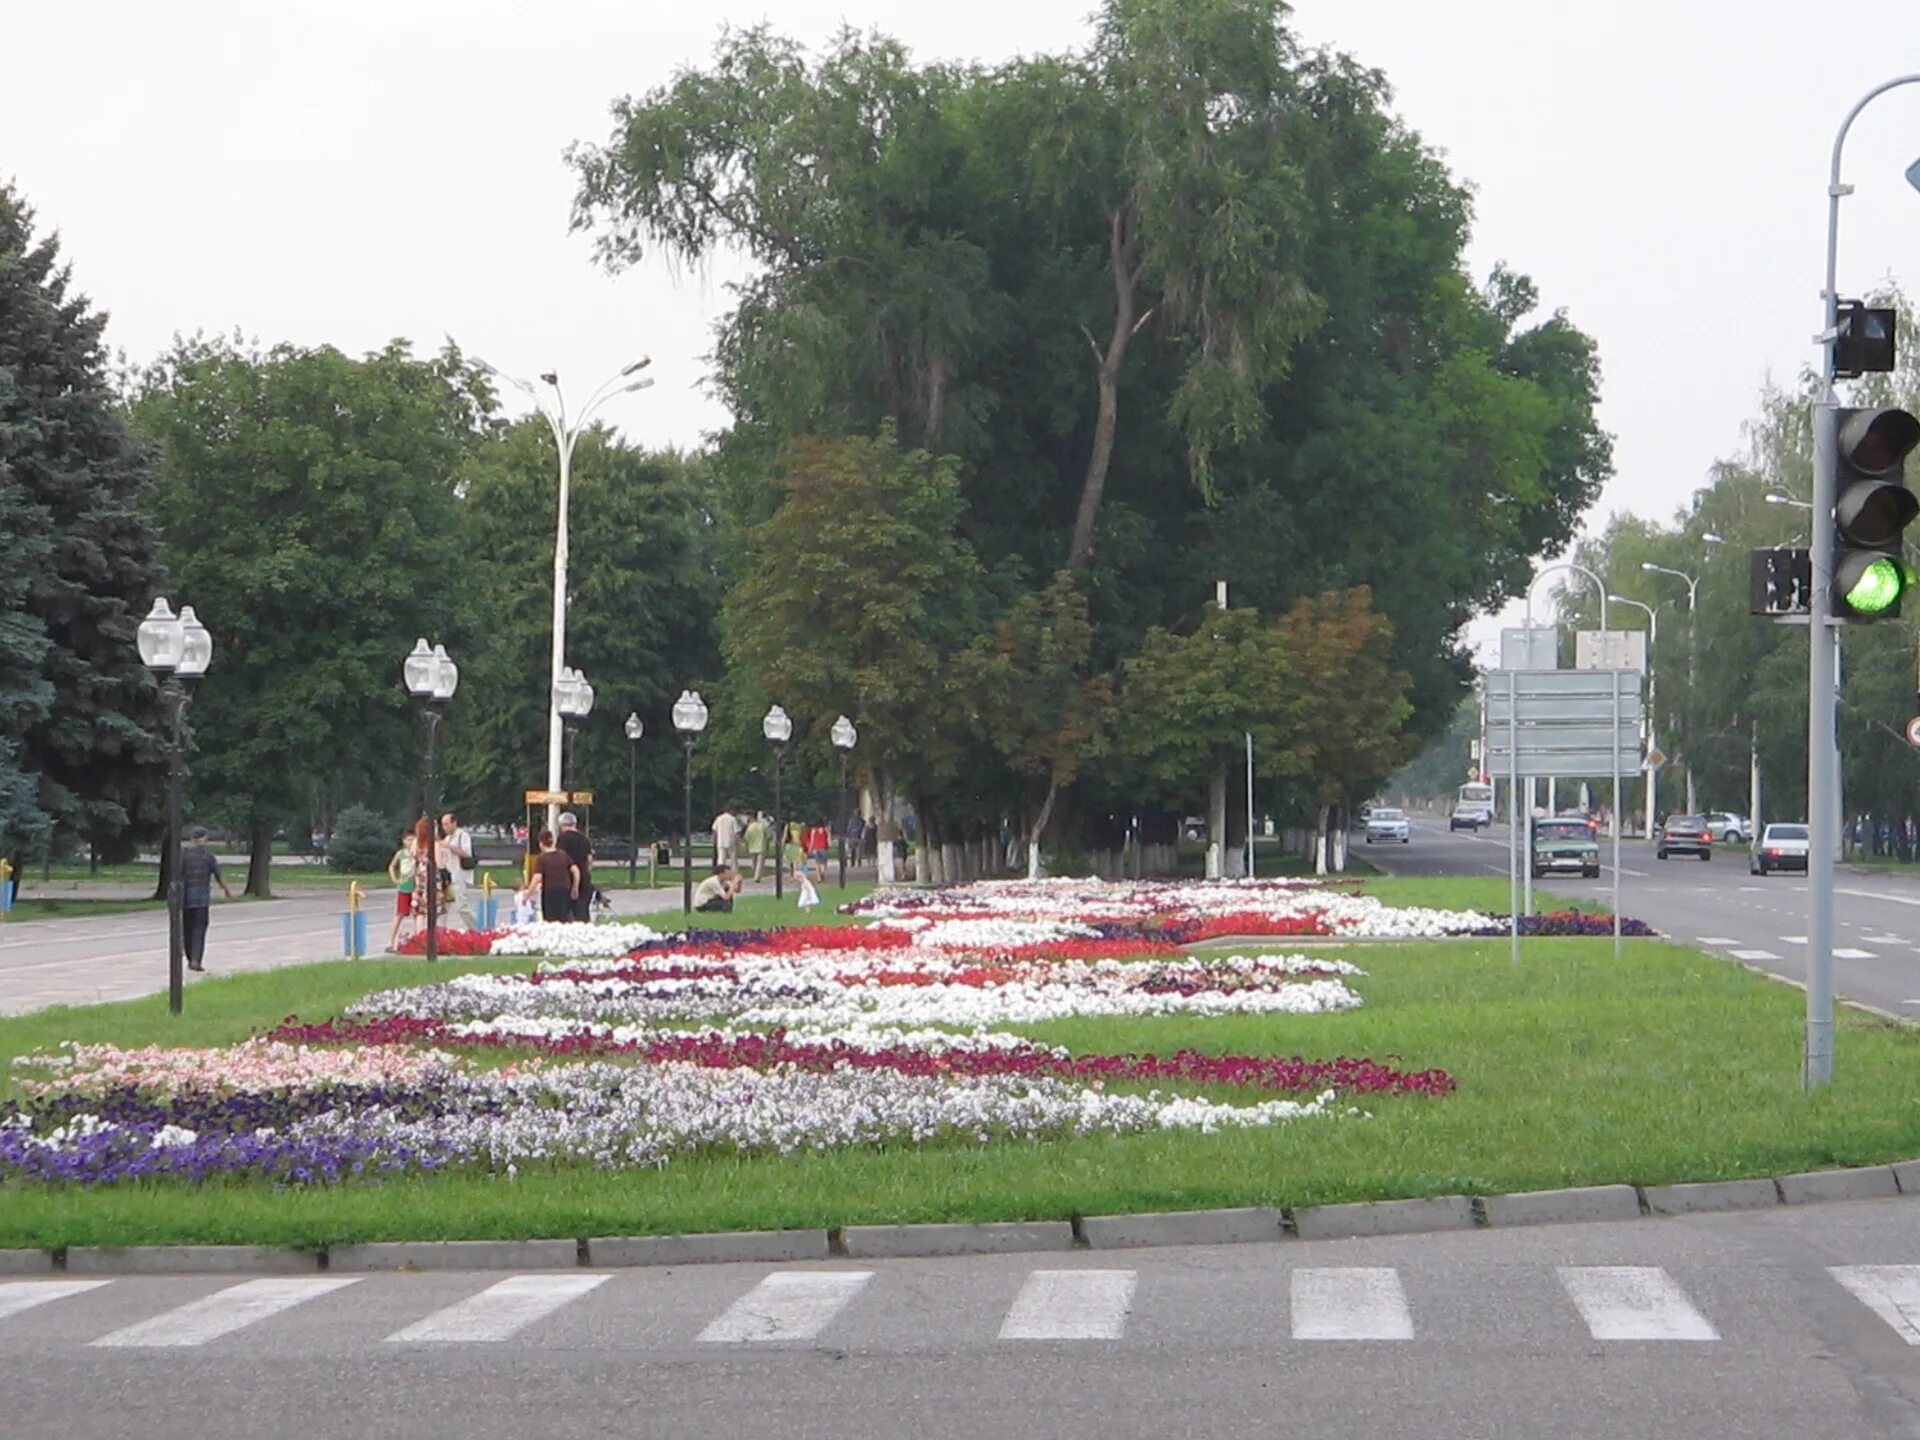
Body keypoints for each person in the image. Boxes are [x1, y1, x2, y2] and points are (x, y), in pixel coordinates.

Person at [179, 827, 235, 972]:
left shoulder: (184, 855)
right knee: (199, 929)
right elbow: (218, 875)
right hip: (202, 898)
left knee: (187, 928)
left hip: (185, 898)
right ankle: (196, 960)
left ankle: (190, 957)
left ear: (192, 839)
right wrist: (227, 890)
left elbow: (178, 875)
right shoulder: (208, 856)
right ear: (205, 839)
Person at [531, 829, 579, 923]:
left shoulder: (542, 858)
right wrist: (575, 887)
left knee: (551, 920)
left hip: (550, 892)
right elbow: (575, 870)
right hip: (565, 890)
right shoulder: (563, 854)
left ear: (541, 843)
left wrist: (528, 892)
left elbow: (537, 878)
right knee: (563, 918)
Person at [439, 811, 476, 929]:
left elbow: (466, 853)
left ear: (454, 823)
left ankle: (476, 927)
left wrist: (449, 847)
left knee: (461, 904)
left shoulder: (462, 836)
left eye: (446, 824)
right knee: (446, 904)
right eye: (443, 824)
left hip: (459, 875)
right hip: (449, 876)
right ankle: (441, 929)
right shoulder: (447, 837)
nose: (444, 827)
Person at [555, 811, 593, 922]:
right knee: (582, 911)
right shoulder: (584, 839)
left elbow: (561, 859)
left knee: (567, 912)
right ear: (574, 824)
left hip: (568, 879)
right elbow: (589, 860)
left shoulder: (562, 839)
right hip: (584, 878)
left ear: (561, 825)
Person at [385, 830, 419, 952]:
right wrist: (395, 879)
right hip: (404, 887)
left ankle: (418, 940)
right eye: (409, 840)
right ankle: (391, 941)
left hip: (416, 887)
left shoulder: (417, 854)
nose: (411, 842)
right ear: (404, 841)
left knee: (417, 914)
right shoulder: (401, 854)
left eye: (413, 839)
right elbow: (392, 866)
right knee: (400, 914)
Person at [742, 810, 769, 882]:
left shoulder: (750, 827)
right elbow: (768, 835)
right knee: (760, 862)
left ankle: (755, 874)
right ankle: (757, 877)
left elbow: (746, 837)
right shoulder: (762, 826)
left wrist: (747, 844)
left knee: (754, 862)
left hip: (752, 846)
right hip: (761, 846)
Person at [712, 803, 741, 870]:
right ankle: (734, 873)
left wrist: (714, 840)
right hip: (731, 842)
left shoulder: (718, 819)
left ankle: (720, 873)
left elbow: (714, 831)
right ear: (730, 810)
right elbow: (737, 832)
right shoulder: (732, 819)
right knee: (733, 859)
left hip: (721, 841)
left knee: (721, 859)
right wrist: (738, 843)